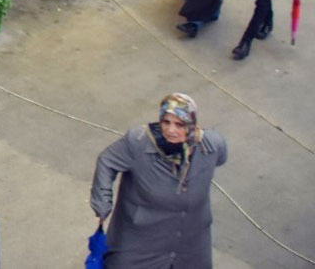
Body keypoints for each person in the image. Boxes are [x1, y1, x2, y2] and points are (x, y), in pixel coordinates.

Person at [91, 94, 227, 268]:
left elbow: (221, 158)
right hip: (141, 239)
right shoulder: (138, 142)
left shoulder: (211, 145)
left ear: (192, 125)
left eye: (179, 124)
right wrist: (102, 202)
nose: (171, 130)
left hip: (191, 240)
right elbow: (107, 161)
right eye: (166, 122)